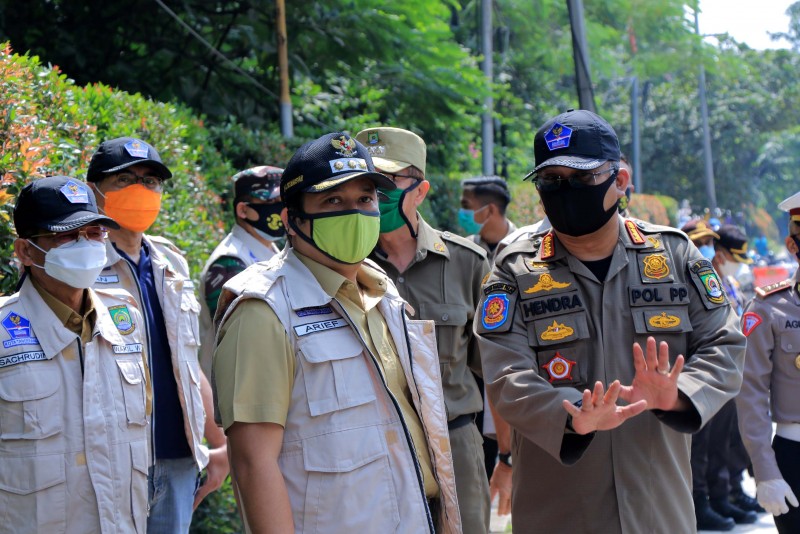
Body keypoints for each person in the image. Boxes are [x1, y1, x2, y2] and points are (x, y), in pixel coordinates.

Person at [475, 109, 746, 533]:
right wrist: (572, 416)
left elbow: (725, 344)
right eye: (551, 180)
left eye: (581, 178)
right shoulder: (514, 267)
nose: (566, 190)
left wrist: (679, 394)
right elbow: (504, 374)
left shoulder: (673, 255)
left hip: (658, 511)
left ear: (619, 180)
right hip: (560, 514)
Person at [212, 132, 461, 533]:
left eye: (365, 199)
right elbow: (253, 463)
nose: (355, 214)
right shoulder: (263, 310)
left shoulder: (380, 291)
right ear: (292, 220)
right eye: (333, 201)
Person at [85, 137, 228, 533]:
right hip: (111, 465)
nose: (140, 189)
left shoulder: (171, 262)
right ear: (94, 190)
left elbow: (186, 361)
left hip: (179, 460)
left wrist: (218, 442)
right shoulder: (78, 265)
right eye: (124, 179)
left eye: (150, 181)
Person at [355, 126, 494, 531]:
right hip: (374, 447)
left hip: (455, 443)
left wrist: (504, 455)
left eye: (389, 180)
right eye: (368, 181)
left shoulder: (467, 263)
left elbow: (492, 366)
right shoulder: (342, 263)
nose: (377, 192)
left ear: (420, 190)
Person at [2, 176, 149, 533]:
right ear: (25, 251)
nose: (85, 245)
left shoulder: (125, 317)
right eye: (66, 235)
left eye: (94, 233)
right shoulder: (4, 330)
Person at [736, 190, 800, 533]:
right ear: (793, 245)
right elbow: (750, 394)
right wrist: (765, 471)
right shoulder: (769, 309)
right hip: (795, 453)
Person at [199, 165, 284, 376]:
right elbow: (239, 337)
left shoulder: (273, 251)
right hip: (238, 381)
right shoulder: (230, 262)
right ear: (243, 210)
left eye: (283, 201)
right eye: (271, 203)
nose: (281, 209)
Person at [459, 176, 517, 259]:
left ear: (490, 210)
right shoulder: (464, 248)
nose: (462, 212)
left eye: (466, 206)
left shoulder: (524, 247)